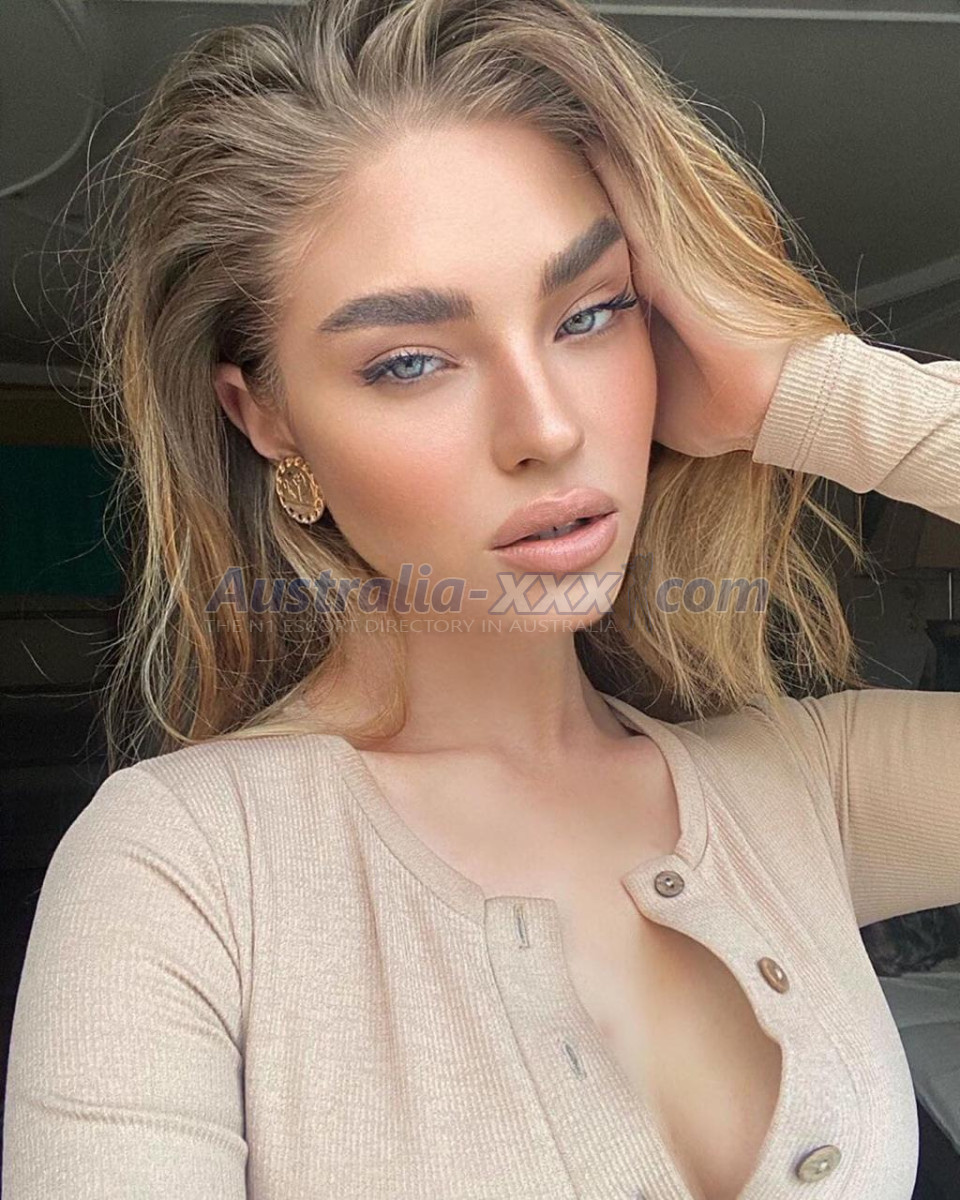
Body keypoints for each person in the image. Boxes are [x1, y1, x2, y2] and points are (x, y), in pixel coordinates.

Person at [3, 0, 958, 1197]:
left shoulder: (806, 793)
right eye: (410, 361)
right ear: (267, 418)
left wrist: (803, 394)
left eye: (591, 313)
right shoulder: (184, 868)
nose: (546, 427)